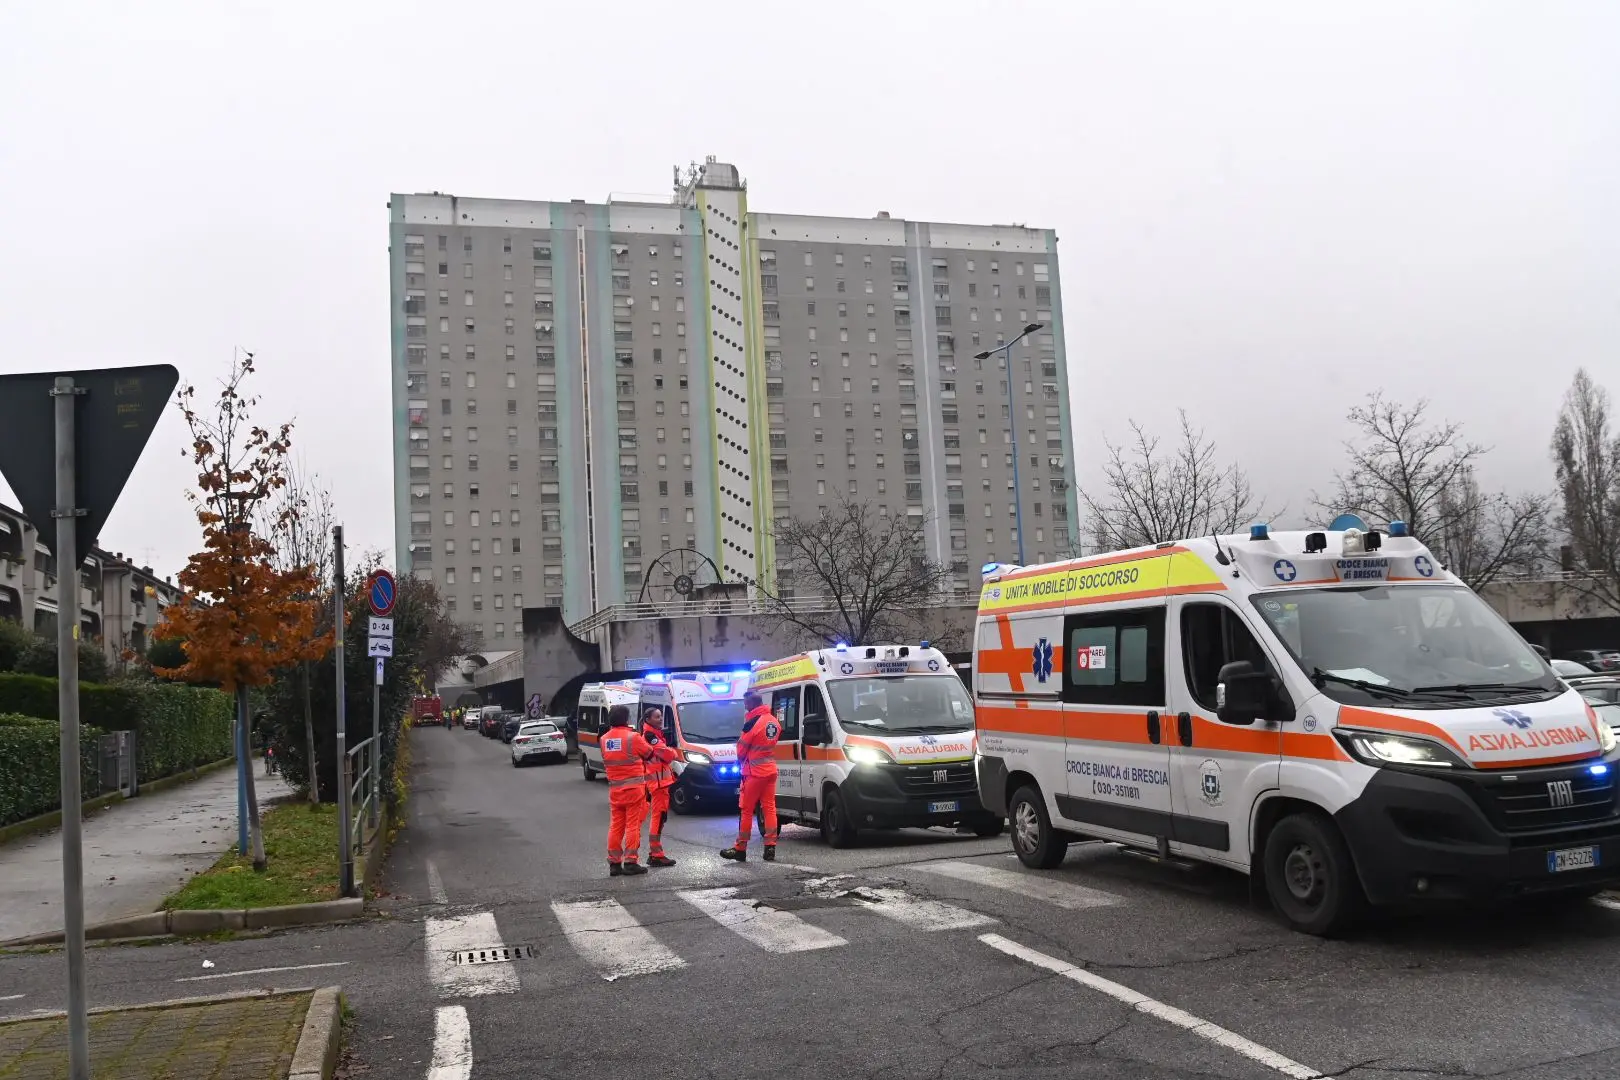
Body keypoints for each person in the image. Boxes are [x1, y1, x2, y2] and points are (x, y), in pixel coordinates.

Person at [601, 704, 677, 877]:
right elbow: (650, 754)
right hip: (634, 788)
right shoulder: (633, 737)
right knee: (632, 825)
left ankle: (614, 864)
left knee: (615, 826)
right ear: (626, 719)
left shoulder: (604, 739)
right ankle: (630, 862)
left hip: (615, 789)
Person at [721, 692, 780, 863]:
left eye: (746, 703)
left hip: (754, 773)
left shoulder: (752, 723)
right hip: (770, 771)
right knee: (769, 808)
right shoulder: (773, 721)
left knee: (746, 810)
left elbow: (741, 751)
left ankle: (740, 848)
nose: (745, 707)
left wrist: (742, 760)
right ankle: (770, 846)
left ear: (752, 703)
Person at [639, 708, 678, 867]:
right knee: (658, 817)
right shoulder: (650, 736)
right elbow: (668, 755)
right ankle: (656, 854)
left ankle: (654, 853)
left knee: (659, 817)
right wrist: (672, 753)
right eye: (657, 717)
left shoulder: (652, 734)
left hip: (659, 783)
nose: (660, 719)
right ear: (648, 719)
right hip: (658, 784)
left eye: (661, 716)